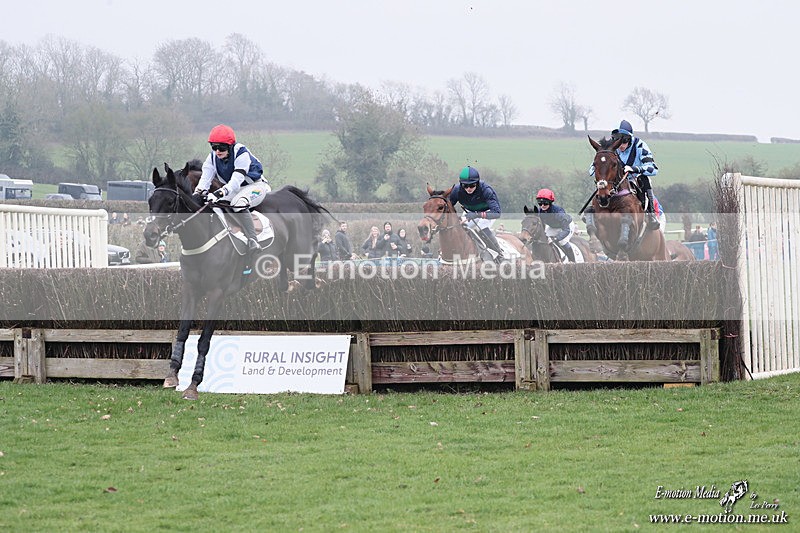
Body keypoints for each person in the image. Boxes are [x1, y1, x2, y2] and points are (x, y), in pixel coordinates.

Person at [192, 124, 271, 254]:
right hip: (235, 189)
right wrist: (197, 194)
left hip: (255, 186)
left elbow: (236, 181)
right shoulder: (212, 158)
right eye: (214, 147)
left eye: (221, 148)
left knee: (238, 203)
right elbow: (204, 180)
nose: (217, 151)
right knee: (214, 204)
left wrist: (218, 193)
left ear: (230, 146)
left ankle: (253, 240)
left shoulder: (241, 153)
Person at [585, 119, 661, 239]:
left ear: (630, 138)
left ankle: (651, 214)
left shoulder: (640, 145)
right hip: (615, 180)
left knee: (644, 180)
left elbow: (653, 169)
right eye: (617, 140)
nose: (621, 145)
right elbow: (593, 168)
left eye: (624, 140)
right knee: (602, 185)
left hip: (635, 178)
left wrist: (634, 169)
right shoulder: (611, 148)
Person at [448, 166, 504, 261]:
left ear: (477, 183)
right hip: (469, 212)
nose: (468, 189)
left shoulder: (486, 190)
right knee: (459, 228)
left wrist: (477, 215)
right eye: (465, 186)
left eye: (472, 185)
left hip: (487, 212)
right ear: (461, 184)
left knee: (481, 228)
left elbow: (497, 213)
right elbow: (449, 207)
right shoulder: (456, 190)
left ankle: (499, 255)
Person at [535, 188, 576, 262]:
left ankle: (572, 261)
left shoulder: (558, 213)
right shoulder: (540, 212)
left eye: (545, 203)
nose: (542, 206)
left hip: (567, 226)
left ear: (550, 202)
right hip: (553, 227)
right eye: (540, 203)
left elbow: (566, 230)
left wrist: (556, 238)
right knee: (545, 239)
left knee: (562, 241)